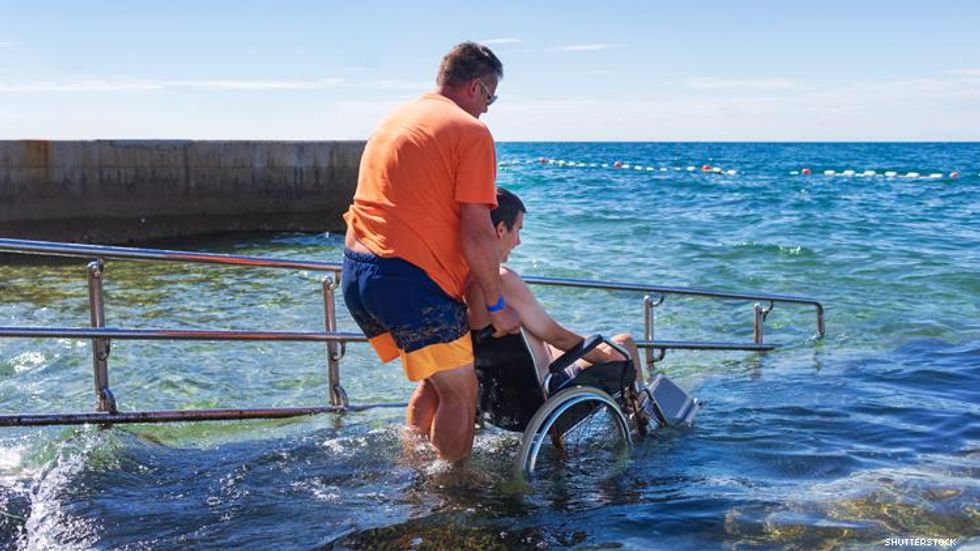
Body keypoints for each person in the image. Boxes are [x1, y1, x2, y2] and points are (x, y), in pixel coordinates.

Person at [341, 42, 520, 463]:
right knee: (462, 393)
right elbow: (478, 232)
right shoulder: (470, 131)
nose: (489, 109)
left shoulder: (396, 118)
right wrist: (496, 304)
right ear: (475, 87)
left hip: (358, 272)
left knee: (435, 381)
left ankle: (414, 468)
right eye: (490, 97)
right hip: (408, 281)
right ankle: (449, 496)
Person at [466, 188, 644, 383]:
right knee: (623, 343)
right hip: (550, 386)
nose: (519, 241)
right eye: (518, 230)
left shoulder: (465, 284)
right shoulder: (504, 281)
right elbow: (559, 338)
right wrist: (609, 358)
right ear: (501, 229)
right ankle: (642, 412)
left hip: (510, 392)